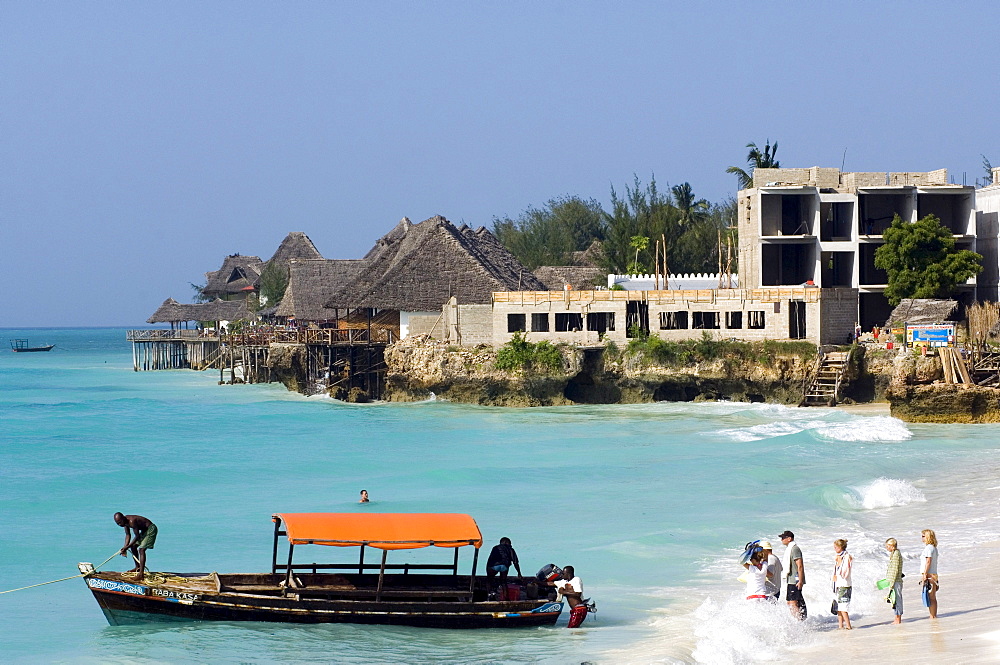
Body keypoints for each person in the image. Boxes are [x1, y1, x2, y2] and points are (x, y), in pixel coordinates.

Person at [114, 512, 156, 581]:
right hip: (144, 530)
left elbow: (137, 536)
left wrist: (126, 547)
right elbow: (128, 535)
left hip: (150, 529)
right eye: (118, 523)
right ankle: (137, 567)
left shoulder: (132, 521)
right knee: (133, 547)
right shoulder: (124, 523)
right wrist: (125, 547)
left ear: (123, 518)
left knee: (141, 550)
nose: (120, 524)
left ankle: (141, 574)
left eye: (120, 522)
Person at [779, 530, 807, 619]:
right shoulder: (790, 549)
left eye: (783, 538)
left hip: (795, 580)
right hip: (791, 579)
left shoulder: (794, 549)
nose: (781, 540)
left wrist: (800, 580)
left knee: (792, 602)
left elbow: (800, 565)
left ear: (789, 538)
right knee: (792, 601)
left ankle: (798, 621)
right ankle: (801, 619)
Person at [832, 538, 853, 629]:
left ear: (841, 547)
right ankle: (840, 626)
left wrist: (839, 562)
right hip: (839, 585)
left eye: (836, 547)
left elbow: (845, 572)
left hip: (844, 585)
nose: (835, 549)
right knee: (839, 607)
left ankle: (848, 626)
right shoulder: (839, 556)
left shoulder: (846, 556)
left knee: (843, 607)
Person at [920, 529, 939, 618]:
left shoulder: (929, 548)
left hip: (929, 575)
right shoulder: (933, 548)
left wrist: (925, 574)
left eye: (923, 536)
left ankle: (933, 616)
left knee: (930, 597)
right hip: (933, 574)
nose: (922, 538)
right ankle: (933, 615)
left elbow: (928, 562)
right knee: (932, 597)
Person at [884, 538, 904, 624]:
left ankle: (898, 618)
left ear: (892, 546)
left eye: (888, 546)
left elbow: (895, 570)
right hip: (894, 580)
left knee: (897, 600)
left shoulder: (896, 554)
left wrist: (891, 583)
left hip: (896, 581)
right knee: (894, 600)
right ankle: (896, 618)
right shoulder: (894, 554)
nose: (886, 547)